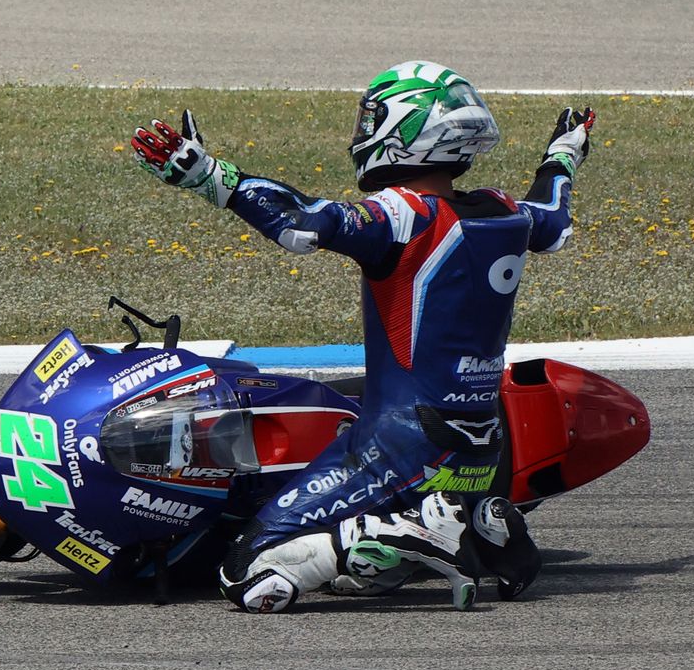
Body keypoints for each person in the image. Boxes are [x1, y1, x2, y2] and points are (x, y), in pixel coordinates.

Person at [130, 60, 594, 612]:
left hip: (400, 444)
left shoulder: (404, 214)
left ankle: (424, 526)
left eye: (371, 120)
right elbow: (555, 217)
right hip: (481, 444)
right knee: (349, 567)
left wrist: (212, 177)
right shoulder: (507, 211)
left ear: (405, 133)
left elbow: (302, 224)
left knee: (245, 574)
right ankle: (481, 524)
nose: (361, 133)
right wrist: (562, 154)